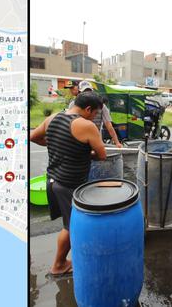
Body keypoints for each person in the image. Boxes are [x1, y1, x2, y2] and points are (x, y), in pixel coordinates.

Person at [30, 92, 107, 276]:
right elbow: (102, 155)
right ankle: (59, 265)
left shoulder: (53, 118)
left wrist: (58, 144)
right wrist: (86, 154)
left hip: (53, 180)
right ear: (88, 109)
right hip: (70, 185)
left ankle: (63, 260)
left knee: (68, 224)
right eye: (95, 113)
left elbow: (33, 137)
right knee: (71, 227)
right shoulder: (86, 125)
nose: (95, 117)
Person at [64, 80, 122, 148]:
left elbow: (109, 126)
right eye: (85, 92)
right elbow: (69, 124)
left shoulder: (101, 106)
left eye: (89, 91)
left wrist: (117, 143)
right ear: (80, 92)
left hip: (95, 141)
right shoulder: (74, 105)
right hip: (79, 141)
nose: (88, 94)